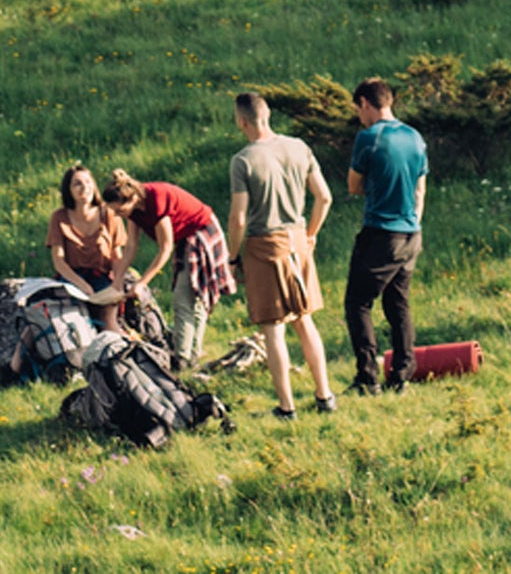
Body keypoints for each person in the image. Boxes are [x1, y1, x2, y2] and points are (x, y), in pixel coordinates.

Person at [226, 91, 336, 419]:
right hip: (298, 241)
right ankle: (324, 395)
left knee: (273, 329)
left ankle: (286, 407)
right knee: (305, 321)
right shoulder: (299, 147)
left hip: (264, 246)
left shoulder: (243, 160)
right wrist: (311, 235)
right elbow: (324, 197)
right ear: (268, 114)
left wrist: (233, 257)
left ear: (241, 121)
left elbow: (239, 218)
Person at [344, 77, 427, 394]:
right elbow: (420, 188)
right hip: (411, 233)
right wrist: (413, 222)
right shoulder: (415, 137)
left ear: (365, 103)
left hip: (381, 232)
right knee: (398, 304)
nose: (358, 116)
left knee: (358, 303)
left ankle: (367, 378)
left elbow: (354, 186)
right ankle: (402, 376)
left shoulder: (369, 138)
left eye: (358, 110)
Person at [104, 169, 235, 370]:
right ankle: (191, 355)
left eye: (119, 211)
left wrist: (141, 283)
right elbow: (131, 246)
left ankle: (181, 359)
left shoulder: (156, 200)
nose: (117, 215)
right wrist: (117, 279)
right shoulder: (134, 210)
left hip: (201, 232)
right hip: (184, 236)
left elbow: (165, 249)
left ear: (131, 200)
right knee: (190, 299)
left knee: (183, 298)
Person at [47, 163, 128, 332]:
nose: (84, 188)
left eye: (88, 182)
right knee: (69, 326)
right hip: (72, 279)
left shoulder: (109, 214)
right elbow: (59, 261)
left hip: (102, 277)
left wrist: (118, 284)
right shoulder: (59, 217)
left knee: (108, 326)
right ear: (68, 190)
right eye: (77, 184)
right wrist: (82, 285)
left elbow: (116, 256)